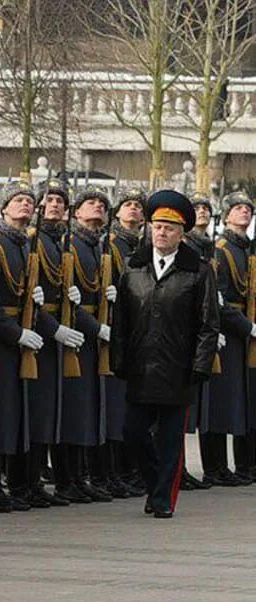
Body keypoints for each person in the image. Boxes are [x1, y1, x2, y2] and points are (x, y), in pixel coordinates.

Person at [111, 190, 219, 518]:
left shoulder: (198, 271)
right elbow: (121, 321)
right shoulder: (134, 267)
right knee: (133, 432)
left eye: (169, 228)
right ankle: (154, 481)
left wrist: (200, 365)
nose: (161, 232)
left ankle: (162, 500)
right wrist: (118, 359)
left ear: (181, 233)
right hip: (141, 365)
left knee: (171, 440)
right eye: (157, 226)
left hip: (178, 368)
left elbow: (207, 324)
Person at [0, 181, 43, 512]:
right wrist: (15, 334)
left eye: (30, 201)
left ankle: (4, 484)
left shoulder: (24, 245)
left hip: (17, 335)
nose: (25, 205)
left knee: (11, 415)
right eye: (18, 200)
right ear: (3, 207)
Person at [21, 178, 77, 508]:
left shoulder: (58, 242)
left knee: (49, 411)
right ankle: (26, 480)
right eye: (49, 199)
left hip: (56, 330)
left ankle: (40, 479)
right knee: (35, 411)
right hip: (38, 332)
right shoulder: (32, 240)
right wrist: (53, 328)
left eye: (60, 200)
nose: (54, 204)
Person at [55, 187, 112, 503]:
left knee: (87, 408)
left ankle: (79, 476)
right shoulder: (70, 245)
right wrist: (95, 327)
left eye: (103, 205)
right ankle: (66, 478)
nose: (99, 207)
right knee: (72, 409)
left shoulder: (96, 246)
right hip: (75, 333)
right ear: (76, 212)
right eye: (91, 203)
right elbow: (64, 296)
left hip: (91, 335)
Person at [202, 191, 256, 487]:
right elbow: (219, 299)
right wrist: (247, 327)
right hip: (229, 331)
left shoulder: (246, 249)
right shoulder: (220, 249)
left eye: (247, 209)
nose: (244, 212)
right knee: (221, 401)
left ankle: (244, 463)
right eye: (237, 208)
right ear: (226, 216)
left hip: (244, 329)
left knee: (243, 400)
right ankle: (215, 466)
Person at [100, 187, 148, 499]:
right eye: (127, 205)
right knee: (111, 405)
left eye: (137, 206)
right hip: (112, 327)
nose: (132, 210)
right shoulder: (110, 243)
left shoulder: (141, 245)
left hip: (137, 329)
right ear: (117, 213)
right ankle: (110, 471)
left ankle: (129, 470)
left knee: (130, 405)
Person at [181, 193, 216, 491]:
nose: (202, 212)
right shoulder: (187, 249)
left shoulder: (208, 247)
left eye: (206, 208)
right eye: (197, 209)